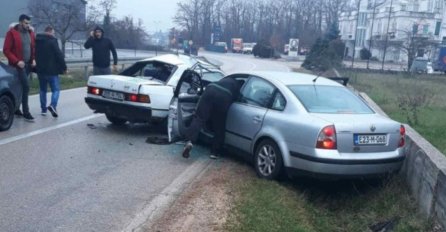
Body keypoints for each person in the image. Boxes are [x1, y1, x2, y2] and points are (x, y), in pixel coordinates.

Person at [182, 77, 242, 159]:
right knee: (219, 126)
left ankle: (189, 141)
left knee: (199, 118)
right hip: (224, 96)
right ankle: (214, 152)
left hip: (211, 89)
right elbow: (239, 99)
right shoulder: (238, 86)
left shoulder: (226, 79)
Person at [3, 14, 36, 121]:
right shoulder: (12, 33)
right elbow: (6, 50)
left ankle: (16, 108)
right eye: (26, 23)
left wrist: (33, 59)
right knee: (26, 86)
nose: (28, 25)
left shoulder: (30, 33)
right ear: (21, 22)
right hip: (16, 66)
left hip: (27, 65)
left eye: (29, 23)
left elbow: (32, 48)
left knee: (19, 88)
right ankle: (26, 112)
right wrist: (17, 61)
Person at [35, 25, 67, 118]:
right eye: (53, 33)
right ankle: (52, 105)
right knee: (56, 90)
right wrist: (64, 67)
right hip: (52, 71)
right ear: (49, 32)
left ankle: (43, 110)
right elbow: (59, 55)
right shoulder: (53, 41)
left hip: (40, 70)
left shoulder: (37, 41)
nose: (54, 35)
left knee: (42, 90)